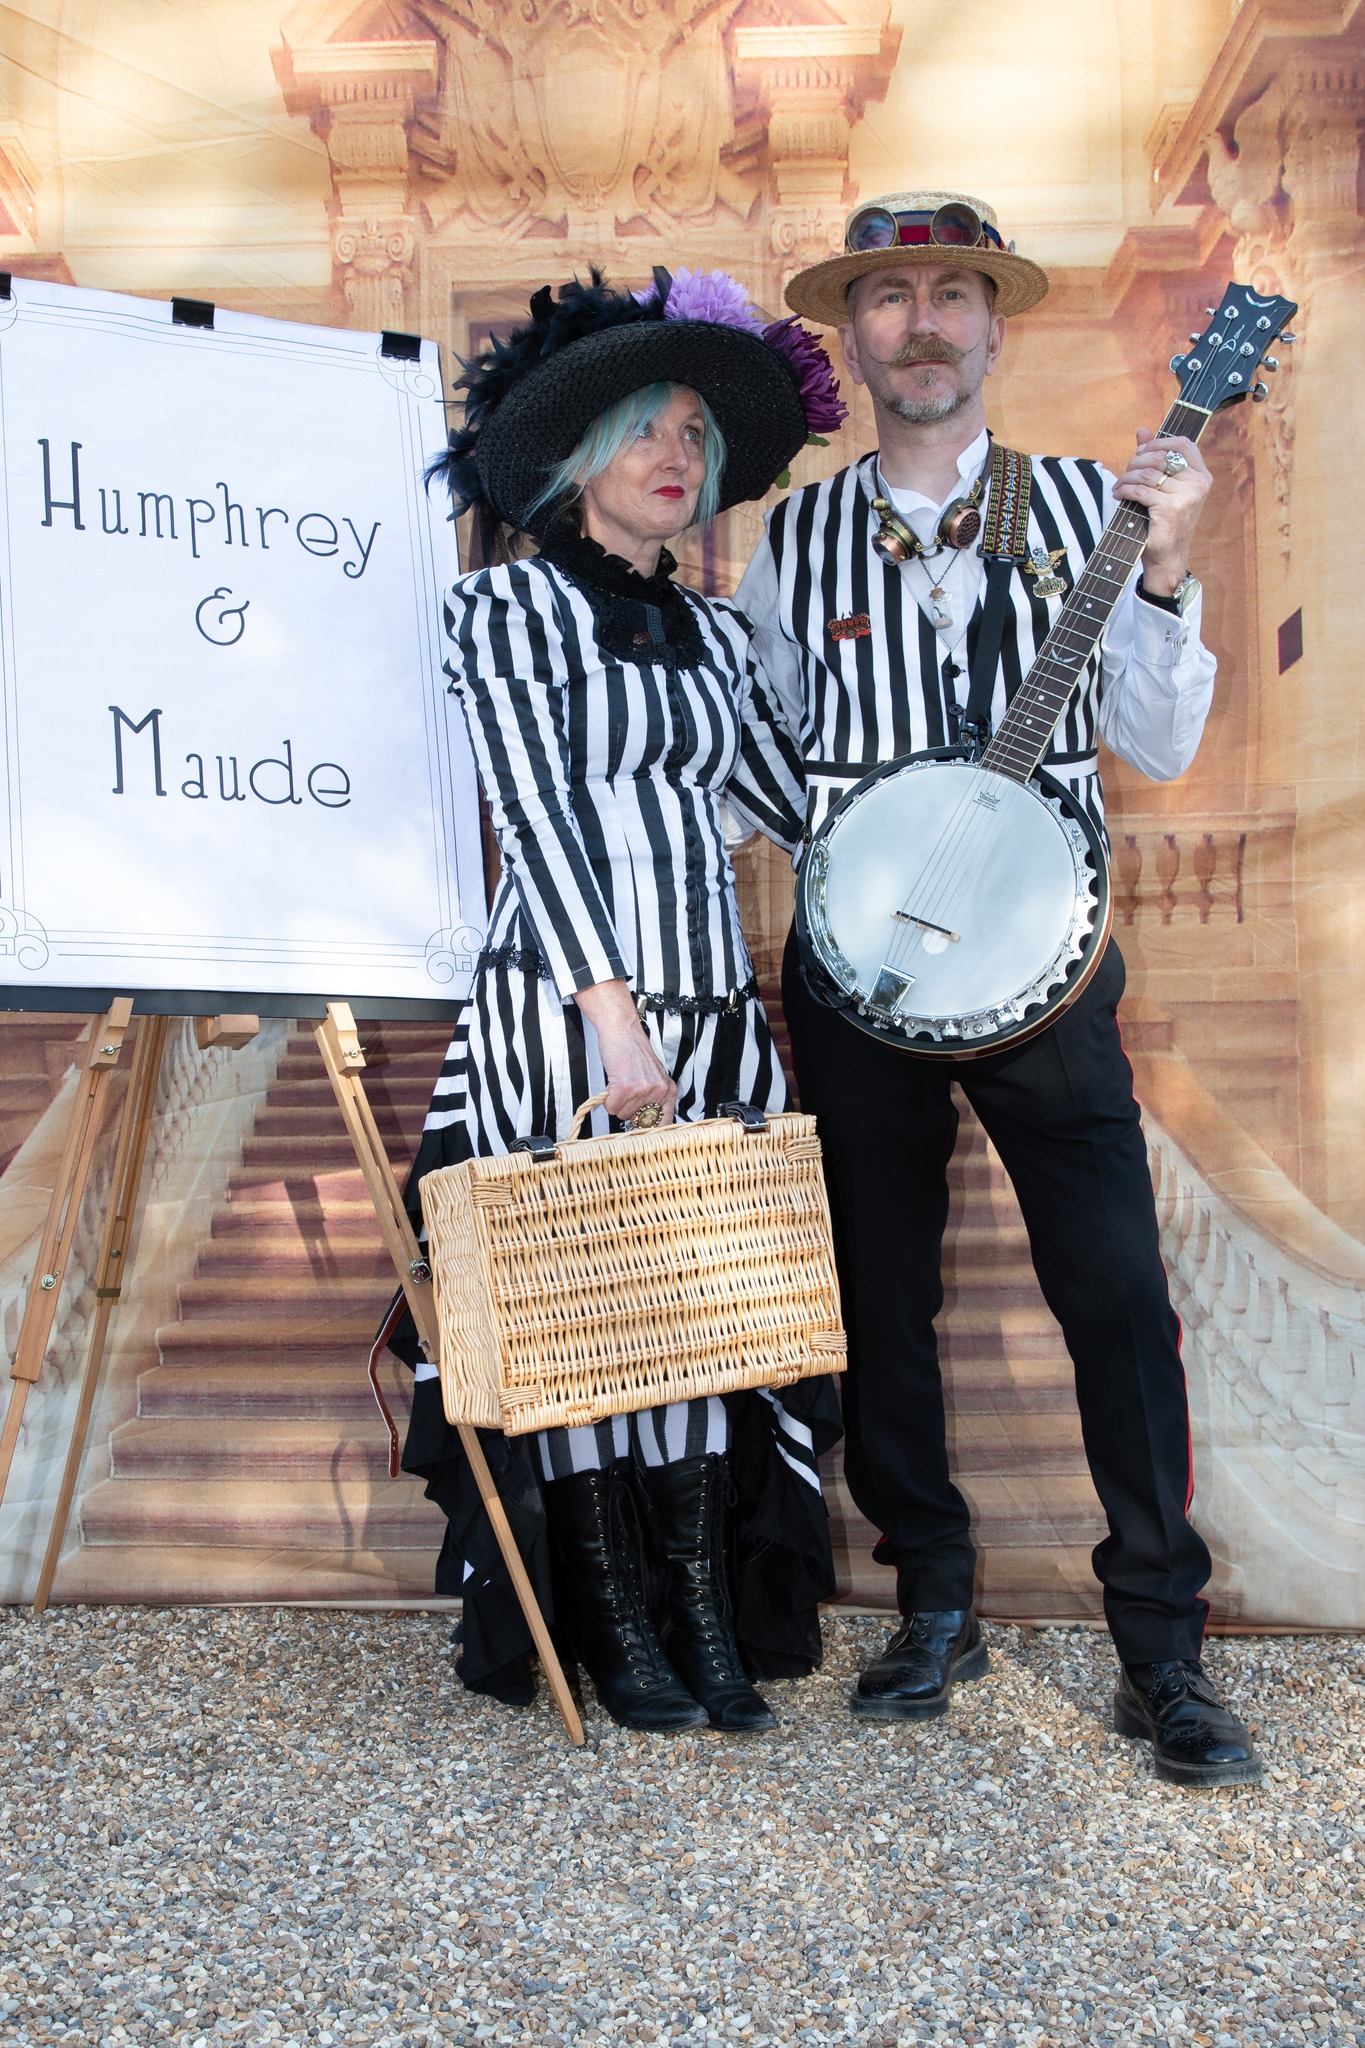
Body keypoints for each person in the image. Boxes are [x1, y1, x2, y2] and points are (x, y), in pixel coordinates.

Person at [735, 188, 1262, 1788]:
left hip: (1047, 980)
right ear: (853, 332)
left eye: (949, 295)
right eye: (887, 298)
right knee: (881, 1299)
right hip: (858, 975)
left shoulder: (1089, 510)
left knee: (1110, 1294)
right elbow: (759, 766)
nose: (919, 324)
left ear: (991, 324)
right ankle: (933, 1601)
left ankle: (1159, 1649)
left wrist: (1163, 577)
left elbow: (1158, 745)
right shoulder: (795, 534)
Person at [396, 266, 849, 1734]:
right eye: (647, 427)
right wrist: (611, 1017)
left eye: (697, 438)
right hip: (565, 1015)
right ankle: (616, 1629)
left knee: (706, 1321)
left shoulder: (719, 633)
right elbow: (535, 808)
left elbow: (792, 804)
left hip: (712, 1009)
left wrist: (945, 824)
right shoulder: (508, 608)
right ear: (581, 452)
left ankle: (708, 1623)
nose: (676, 455)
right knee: (579, 1318)